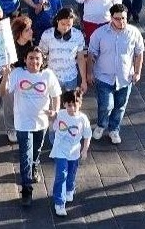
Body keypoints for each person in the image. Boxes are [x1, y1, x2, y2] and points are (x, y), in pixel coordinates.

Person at [1, 48, 62, 207]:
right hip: (22, 122)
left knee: (36, 151)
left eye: (37, 59)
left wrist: (55, 110)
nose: (34, 61)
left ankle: (35, 165)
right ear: (25, 59)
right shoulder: (18, 73)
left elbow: (56, 95)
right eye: (30, 58)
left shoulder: (48, 75)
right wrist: (6, 76)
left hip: (41, 122)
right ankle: (26, 189)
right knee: (25, 155)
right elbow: (3, 93)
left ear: (42, 61)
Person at [88, 4, 145, 144]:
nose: (121, 22)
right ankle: (101, 125)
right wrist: (89, 72)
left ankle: (114, 129)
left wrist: (137, 72)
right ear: (111, 18)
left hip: (125, 78)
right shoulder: (100, 33)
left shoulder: (134, 33)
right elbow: (91, 53)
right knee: (106, 105)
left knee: (120, 106)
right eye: (118, 19)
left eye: (124, 18)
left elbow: (139, 54)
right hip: (104, 77)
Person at [49, 89, 92, 217]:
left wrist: (84, 150)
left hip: (74, 151)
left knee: (72, 172)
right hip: (60, 150)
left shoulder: (83, 119)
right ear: (64, 104)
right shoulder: (60, 115)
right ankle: (59, 202)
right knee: (61, 174)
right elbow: (53, 126)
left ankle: (69, 189)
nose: (72, 108)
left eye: (75, 104)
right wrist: (51, 117)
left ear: (80, 103)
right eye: (69, 105)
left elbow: (87, 135)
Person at [39, 7, 88, 93]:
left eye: (69, 25)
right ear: (57, 20)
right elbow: (42, 56)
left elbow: (81, 58)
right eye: (63, 24)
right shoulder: (47, 35)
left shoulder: (78, 35)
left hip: (71, 78)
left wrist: (84, 80)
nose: (66, 27)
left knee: (70, 105)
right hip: (52, 77)